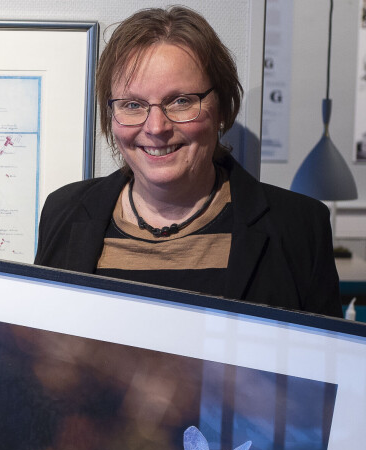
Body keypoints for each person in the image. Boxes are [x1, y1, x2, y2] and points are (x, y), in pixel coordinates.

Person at [34, 6, 341, 317]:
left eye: (180, 101)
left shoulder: (300, 228)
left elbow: (326, 362)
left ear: (221, 108)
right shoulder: (63, 212)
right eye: (132, 104)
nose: (156, 128)